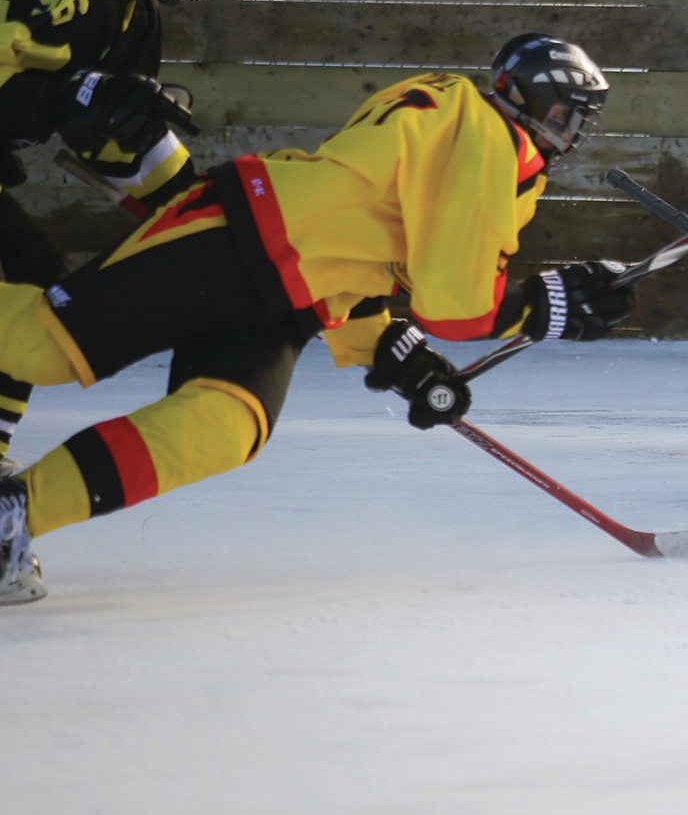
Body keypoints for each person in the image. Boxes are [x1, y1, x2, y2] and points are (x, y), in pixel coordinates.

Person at [0, 33, 638, 604]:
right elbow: (458, 302)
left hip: (289, 294)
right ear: (521, 99)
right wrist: (543, 306)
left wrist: (392, 347)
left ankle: (14, 514)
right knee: (38, 350)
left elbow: (371, 245)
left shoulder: (464, 129)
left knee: (227, 425)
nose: (570, 132)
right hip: (235, 242)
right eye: (564, 115)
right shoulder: (487, 140)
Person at [0, 0, 224, 473]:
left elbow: (113, 140)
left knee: (31, 279)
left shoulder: (140, 19)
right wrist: (66, 94)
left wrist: (199, 214)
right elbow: (54, 98)